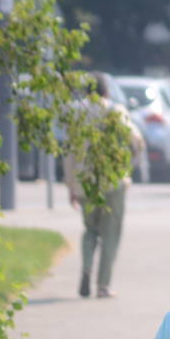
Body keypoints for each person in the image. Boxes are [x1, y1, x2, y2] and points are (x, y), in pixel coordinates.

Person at [63, 74, 145, 298]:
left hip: (85, 182)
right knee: (111, 234)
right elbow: (136, 141)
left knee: (90, 229)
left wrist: (71, 185)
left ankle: (87, 266)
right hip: (112, 181)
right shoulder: (115, 111)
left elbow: (69, 153)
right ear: (106, 91)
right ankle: (103, 285)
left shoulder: (76, 112)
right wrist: (129, 168)